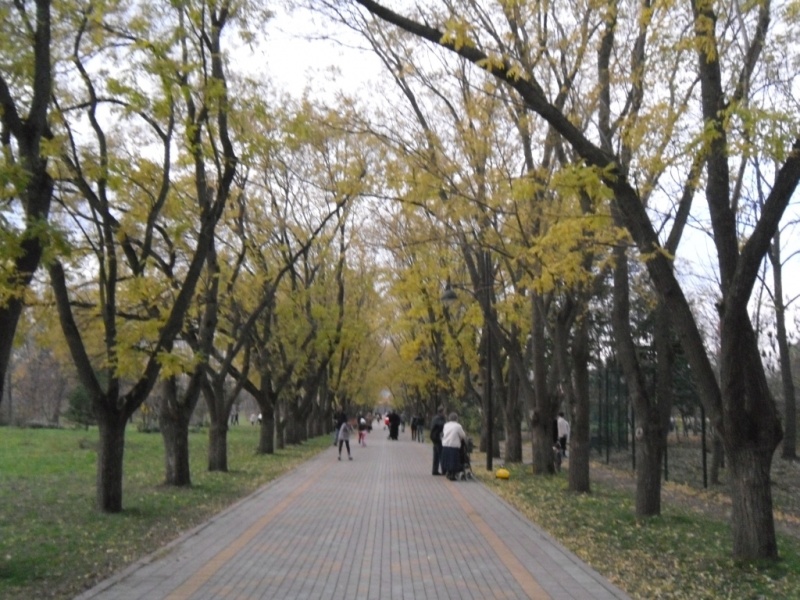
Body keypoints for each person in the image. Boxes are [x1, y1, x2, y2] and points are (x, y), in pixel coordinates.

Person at [440, 412, 466, 480]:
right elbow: (463, 435)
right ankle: (452, 474)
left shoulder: (446, 425)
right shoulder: (458, 426)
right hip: (454, 446)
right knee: (453, 461)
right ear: (456, 419)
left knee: (447, 460)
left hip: (445, 445)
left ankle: (448, 472)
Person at [429, 406, 446, 476]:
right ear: (441, 412)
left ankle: (435, 470)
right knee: (441, 454)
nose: (445, 413)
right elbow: (442, 426)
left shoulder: (435, 418)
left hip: (434, 437)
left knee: (436, 454)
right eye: (444, 412)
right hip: (437, 438)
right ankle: (444, 470)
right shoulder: (439, 419)